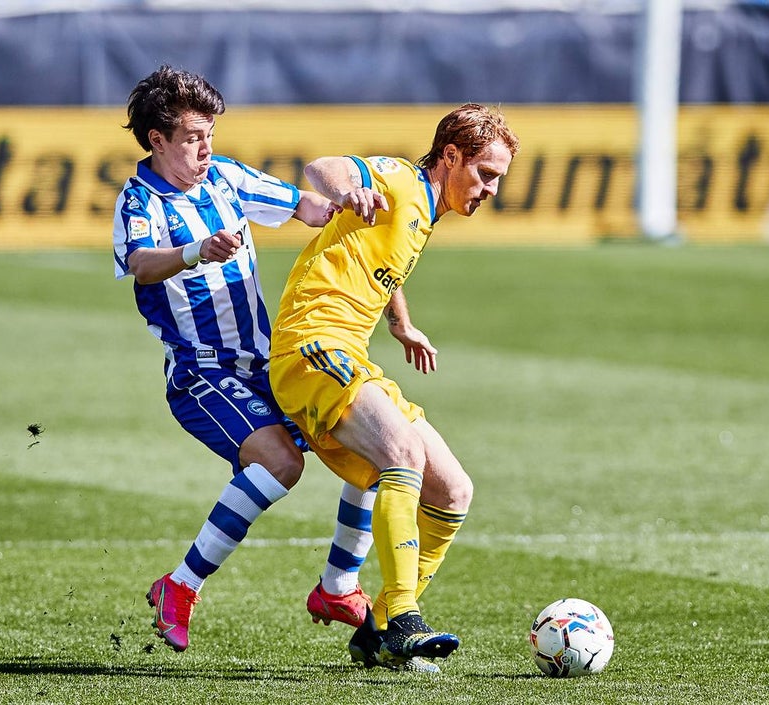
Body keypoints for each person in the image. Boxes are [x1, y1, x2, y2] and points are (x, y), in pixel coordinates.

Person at [112, 65, 375, 653]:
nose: (207, 148)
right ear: (157, 139)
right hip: (201, 373)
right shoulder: (139, 200)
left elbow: (304, 206)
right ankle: (179, 588)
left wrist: (342, 196)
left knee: (374, 445)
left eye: (210, 134)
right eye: (192, 138)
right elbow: (139, 263)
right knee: (282, 462)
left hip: (267, 364)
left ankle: (338, 585)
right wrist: (195, 250)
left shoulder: (225, 176)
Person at [268, 103, 519, 671]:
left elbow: (383, 262)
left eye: (498, 179)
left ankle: (376, 630)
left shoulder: (425, 212)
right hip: (310, 345)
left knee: (454, 490)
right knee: (400, 453)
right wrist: (348, 191)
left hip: (347, 354)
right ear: (450, 156)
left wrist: (400, 323)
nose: (491, 190)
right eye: (485, 174)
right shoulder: (404, 179)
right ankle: (403, 617)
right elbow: (323, 167)